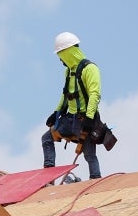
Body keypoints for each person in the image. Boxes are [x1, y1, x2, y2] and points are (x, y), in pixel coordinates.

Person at [42, 31, 103, 179]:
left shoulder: (90, 69)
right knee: (47, 138)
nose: (60, 59)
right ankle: (48, 175)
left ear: (67, 52)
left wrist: (89, 118)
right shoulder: (68, 72)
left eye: (60, 54)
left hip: (84, 120)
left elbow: (95, 94)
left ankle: (96, 180)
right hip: (70, 120)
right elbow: (65, 95)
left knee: (89, 155)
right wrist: (56, 113)